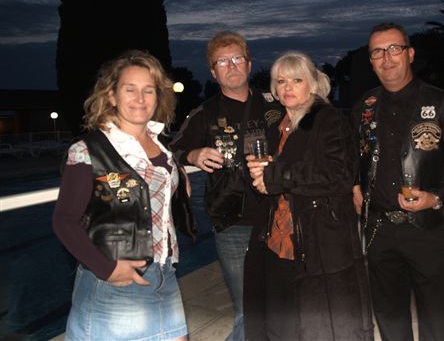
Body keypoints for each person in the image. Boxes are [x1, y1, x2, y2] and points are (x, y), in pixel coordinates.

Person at [353, 23, 444, 341]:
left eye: (394, 49)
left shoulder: (441, 103)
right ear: (371, 62)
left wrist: (436, 197)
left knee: (436, 318)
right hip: (380, 229)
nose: (387, 58)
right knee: (388, 313)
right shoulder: (363, 107)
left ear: (410, 54)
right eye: (378, 52)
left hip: (428, 229)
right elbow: (352, 158)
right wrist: (354, 187)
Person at [52, 50, 194, 340]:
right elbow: (64, 220)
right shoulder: (87, 150)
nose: (140, 98)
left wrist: (178, 182)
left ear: (158, 97)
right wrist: (106, 269)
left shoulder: (162, 148)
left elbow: (158, 197)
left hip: (165, 274)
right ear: (112, 96)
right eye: (130, 89)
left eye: (148, 90)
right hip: (116, 282)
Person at [245, 52, 374, 341]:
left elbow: (338, 174)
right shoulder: (277, 126)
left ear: (313, 84)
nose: (288, 87)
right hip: (279, 240)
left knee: (319, 327)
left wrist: (274, 176)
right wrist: (259, 174)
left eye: (296, 80)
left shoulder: (329, 120)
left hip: (318, 243)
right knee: (281, 326)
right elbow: (276, 176)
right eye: (281, 81)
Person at [170, 31, 283, 341]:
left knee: (280, 304)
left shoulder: (275, 103)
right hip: (234, 225)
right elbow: (171, 150)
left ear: (249, 65)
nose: (231, 66)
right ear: (213, 71)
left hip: (280, 217)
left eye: (237, 59)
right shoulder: (205, 114)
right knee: (248, 309)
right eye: (222, 62)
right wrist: (192, 154)